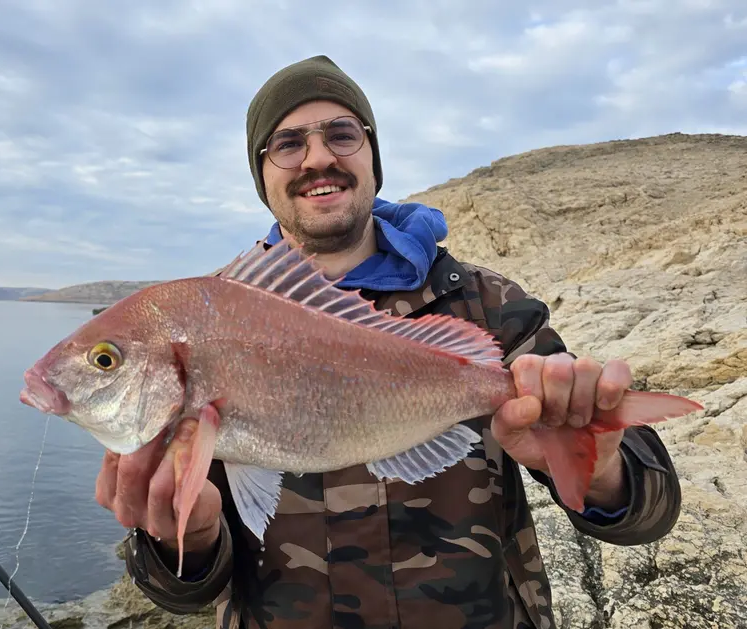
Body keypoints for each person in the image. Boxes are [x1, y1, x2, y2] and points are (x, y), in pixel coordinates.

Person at [95, 55, 682, 629]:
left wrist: (601, 472)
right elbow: (182, 590)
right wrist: (187, 542)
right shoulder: (207, 321)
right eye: (288, 143)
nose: (318, 158)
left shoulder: (490, 307)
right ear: (263, 173)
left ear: (373, 153)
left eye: (341, 134)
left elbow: (647, 514)